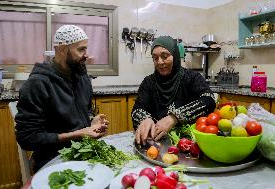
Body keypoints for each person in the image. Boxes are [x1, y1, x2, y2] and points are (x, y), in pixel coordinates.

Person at [15, 25, 109, 172]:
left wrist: (91, 121)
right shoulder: (37, 84)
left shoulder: (81, 76)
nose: (86, 55)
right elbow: (27, 139)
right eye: (81, 49)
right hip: (52, 160)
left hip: (84, 152)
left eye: (86, 49)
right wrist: (79, 133)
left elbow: (86, 109)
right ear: (62, 49)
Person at [132, 36, 216, 145]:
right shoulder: (149, 82)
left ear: (175, 55)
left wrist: (175, 117)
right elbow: (137, 109)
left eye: (165, 56)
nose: (160, 62)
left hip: (188, 143)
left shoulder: (192, 78)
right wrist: (145, 118)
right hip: (156, 142)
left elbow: (209, 100)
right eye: (155, 58)